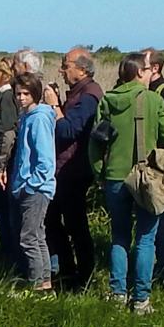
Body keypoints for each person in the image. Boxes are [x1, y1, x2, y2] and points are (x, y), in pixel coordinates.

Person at [92, 53, 164, 312]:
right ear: (139, 73)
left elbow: (95, 143)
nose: (151, 74)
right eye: (148, 70)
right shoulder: (153, 100)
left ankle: (118, 293)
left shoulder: (107, 100)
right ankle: (141, 299)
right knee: (146, 239)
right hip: (145, 177)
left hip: (114, 176)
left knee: (119, 236)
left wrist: (99, 174)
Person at [0, 49, 41, 279]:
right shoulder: (39, 93)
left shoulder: (9, 97)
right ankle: (38, 271)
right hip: (29, 168)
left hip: (16, 167)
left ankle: (16, 265)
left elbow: (6, 132)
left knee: (10, 218)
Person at [45, 48, 100, 291]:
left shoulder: (89, 96)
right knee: (53, 220)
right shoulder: (80, 93)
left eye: (65, 65)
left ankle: (83, 277)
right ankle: (68, 272)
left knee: (75, 224)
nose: (61, 70)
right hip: (65, 167)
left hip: (74, 170)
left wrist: (55, 106)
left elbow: (68, 130)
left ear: (82, 69)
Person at [9, 70, 58, 290]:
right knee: (37, 236)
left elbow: (45, 158)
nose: (21, 97)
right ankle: (44, 283)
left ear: (35, 94)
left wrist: (31, 184)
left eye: (26, 93)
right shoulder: (28, 116)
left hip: (35, 188)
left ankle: (38, 284)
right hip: (28, 185)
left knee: (29, 238)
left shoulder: (38, 117)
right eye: (18, 93)